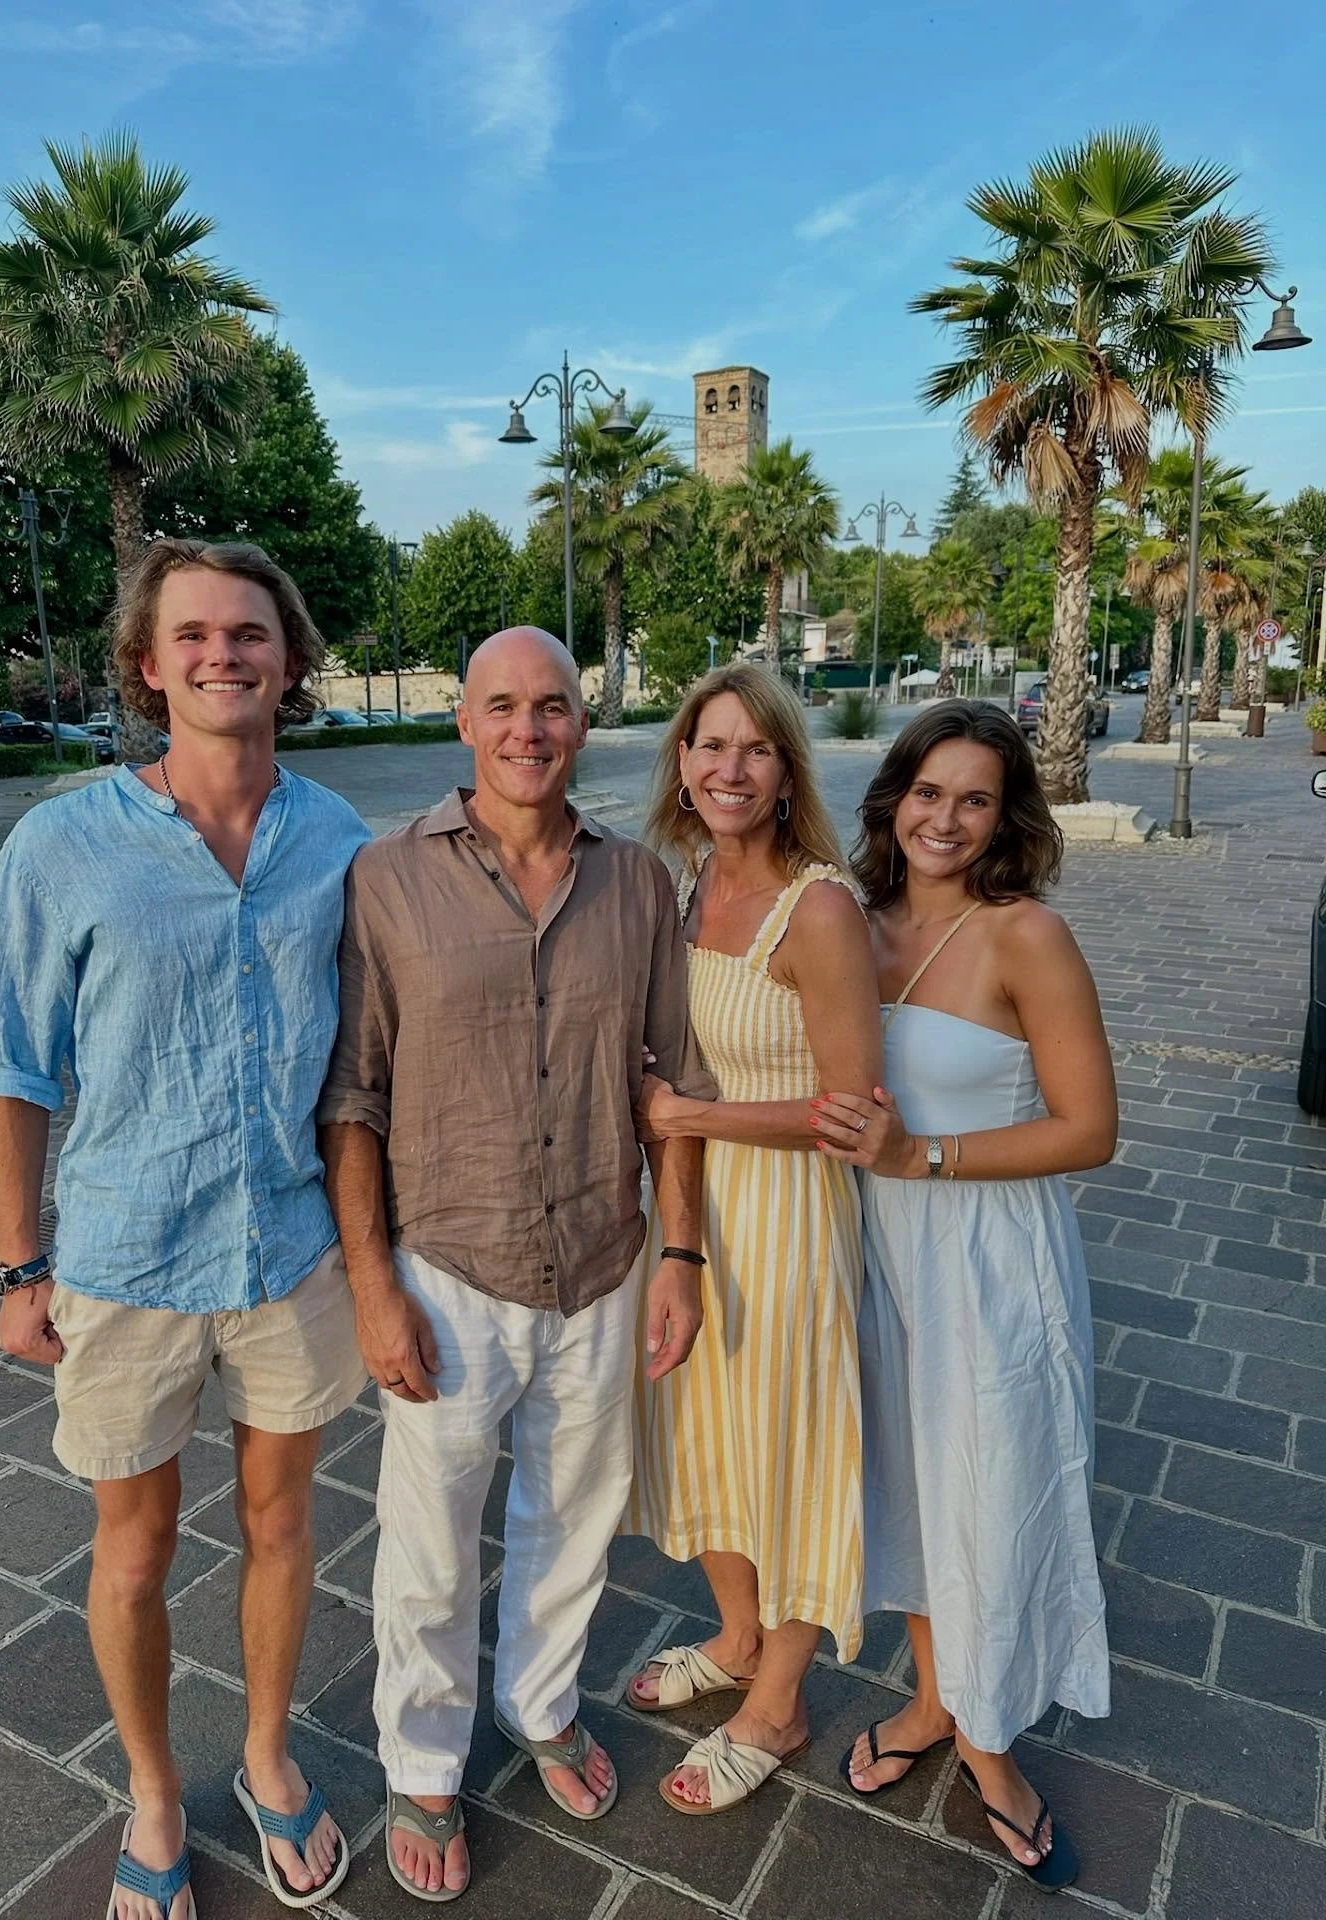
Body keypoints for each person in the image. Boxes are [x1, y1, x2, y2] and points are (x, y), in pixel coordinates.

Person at [0, 539, 368, 1920]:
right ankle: (150, 1789)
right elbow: (15, 1065)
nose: (221, 655)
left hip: (291, 1253)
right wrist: (20, 1266)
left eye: (248, 633)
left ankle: (265, 1755)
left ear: (289, 657)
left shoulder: (341, 840)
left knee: (282, 1522)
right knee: (135, 1548)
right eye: (192, 635)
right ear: (147, 665)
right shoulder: (62, 846)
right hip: (128, 1257)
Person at [318, 626, 710, 1903]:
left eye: (551, 707)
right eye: (502, 706)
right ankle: (424, 1762)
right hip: (448, 1267)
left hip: (601, 1257)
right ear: (465, 722)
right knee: (430, 1544)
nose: (527, 730)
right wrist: (372, 1288)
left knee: (574, 1521)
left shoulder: (638, 884)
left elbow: (676, 1087)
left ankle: (541, 1705)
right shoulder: (387, 878)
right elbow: (354, 1094)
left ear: (582, 725)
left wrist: (681, 1254)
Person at [812, 699, 1115, 1893]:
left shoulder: (1024, 935)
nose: (945, 819)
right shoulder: (853, 919)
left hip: (988, 1265)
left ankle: (992, 1747)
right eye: (928, 792)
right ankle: (936, 1701)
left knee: (990, 1498)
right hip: (879, 1256)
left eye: (975, 799)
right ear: (893, 798)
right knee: (912, 1489)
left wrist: (921, 1156)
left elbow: (1089, 1130)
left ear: (1006, 816)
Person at [620, 663, 881, 1816]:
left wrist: (688, 1117)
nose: (731, 767)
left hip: (790, 1220)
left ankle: (778, 1702)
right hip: (693, 1216)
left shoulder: (817, 909)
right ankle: (735, 1638)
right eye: (711, 745)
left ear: (786, 774)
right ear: (682, 765)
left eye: (756, 749)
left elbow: (854, 1111)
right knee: (706, 1432)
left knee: (791, 1451)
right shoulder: (684, 891)